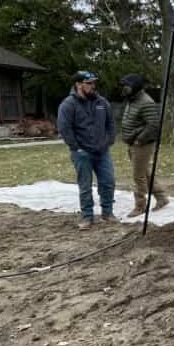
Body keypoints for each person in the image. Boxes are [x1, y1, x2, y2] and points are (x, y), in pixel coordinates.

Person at [57, 71, 117, 229]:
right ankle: (87, 217)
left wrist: (109, 141)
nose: (92, 86)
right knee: (85, 185)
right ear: (78, 84)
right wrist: (76, 147)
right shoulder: (68, 104)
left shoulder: (101, 102)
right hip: (82, 153)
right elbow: (64, 127)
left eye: (93, 83)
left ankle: (107, 213)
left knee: (108, 182)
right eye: (88, 83)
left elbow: (111, 124)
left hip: (102, 151)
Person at [119, 73, 169, 217]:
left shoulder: (146, 102)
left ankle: (140, 206)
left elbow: (153, 125)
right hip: (133, 143)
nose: (124, 89)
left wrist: (139, 140)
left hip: (142, 144)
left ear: (135, 86)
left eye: (126, 86)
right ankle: (161, 198)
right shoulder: (133, 99)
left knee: (138, 176)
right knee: (145, 173)